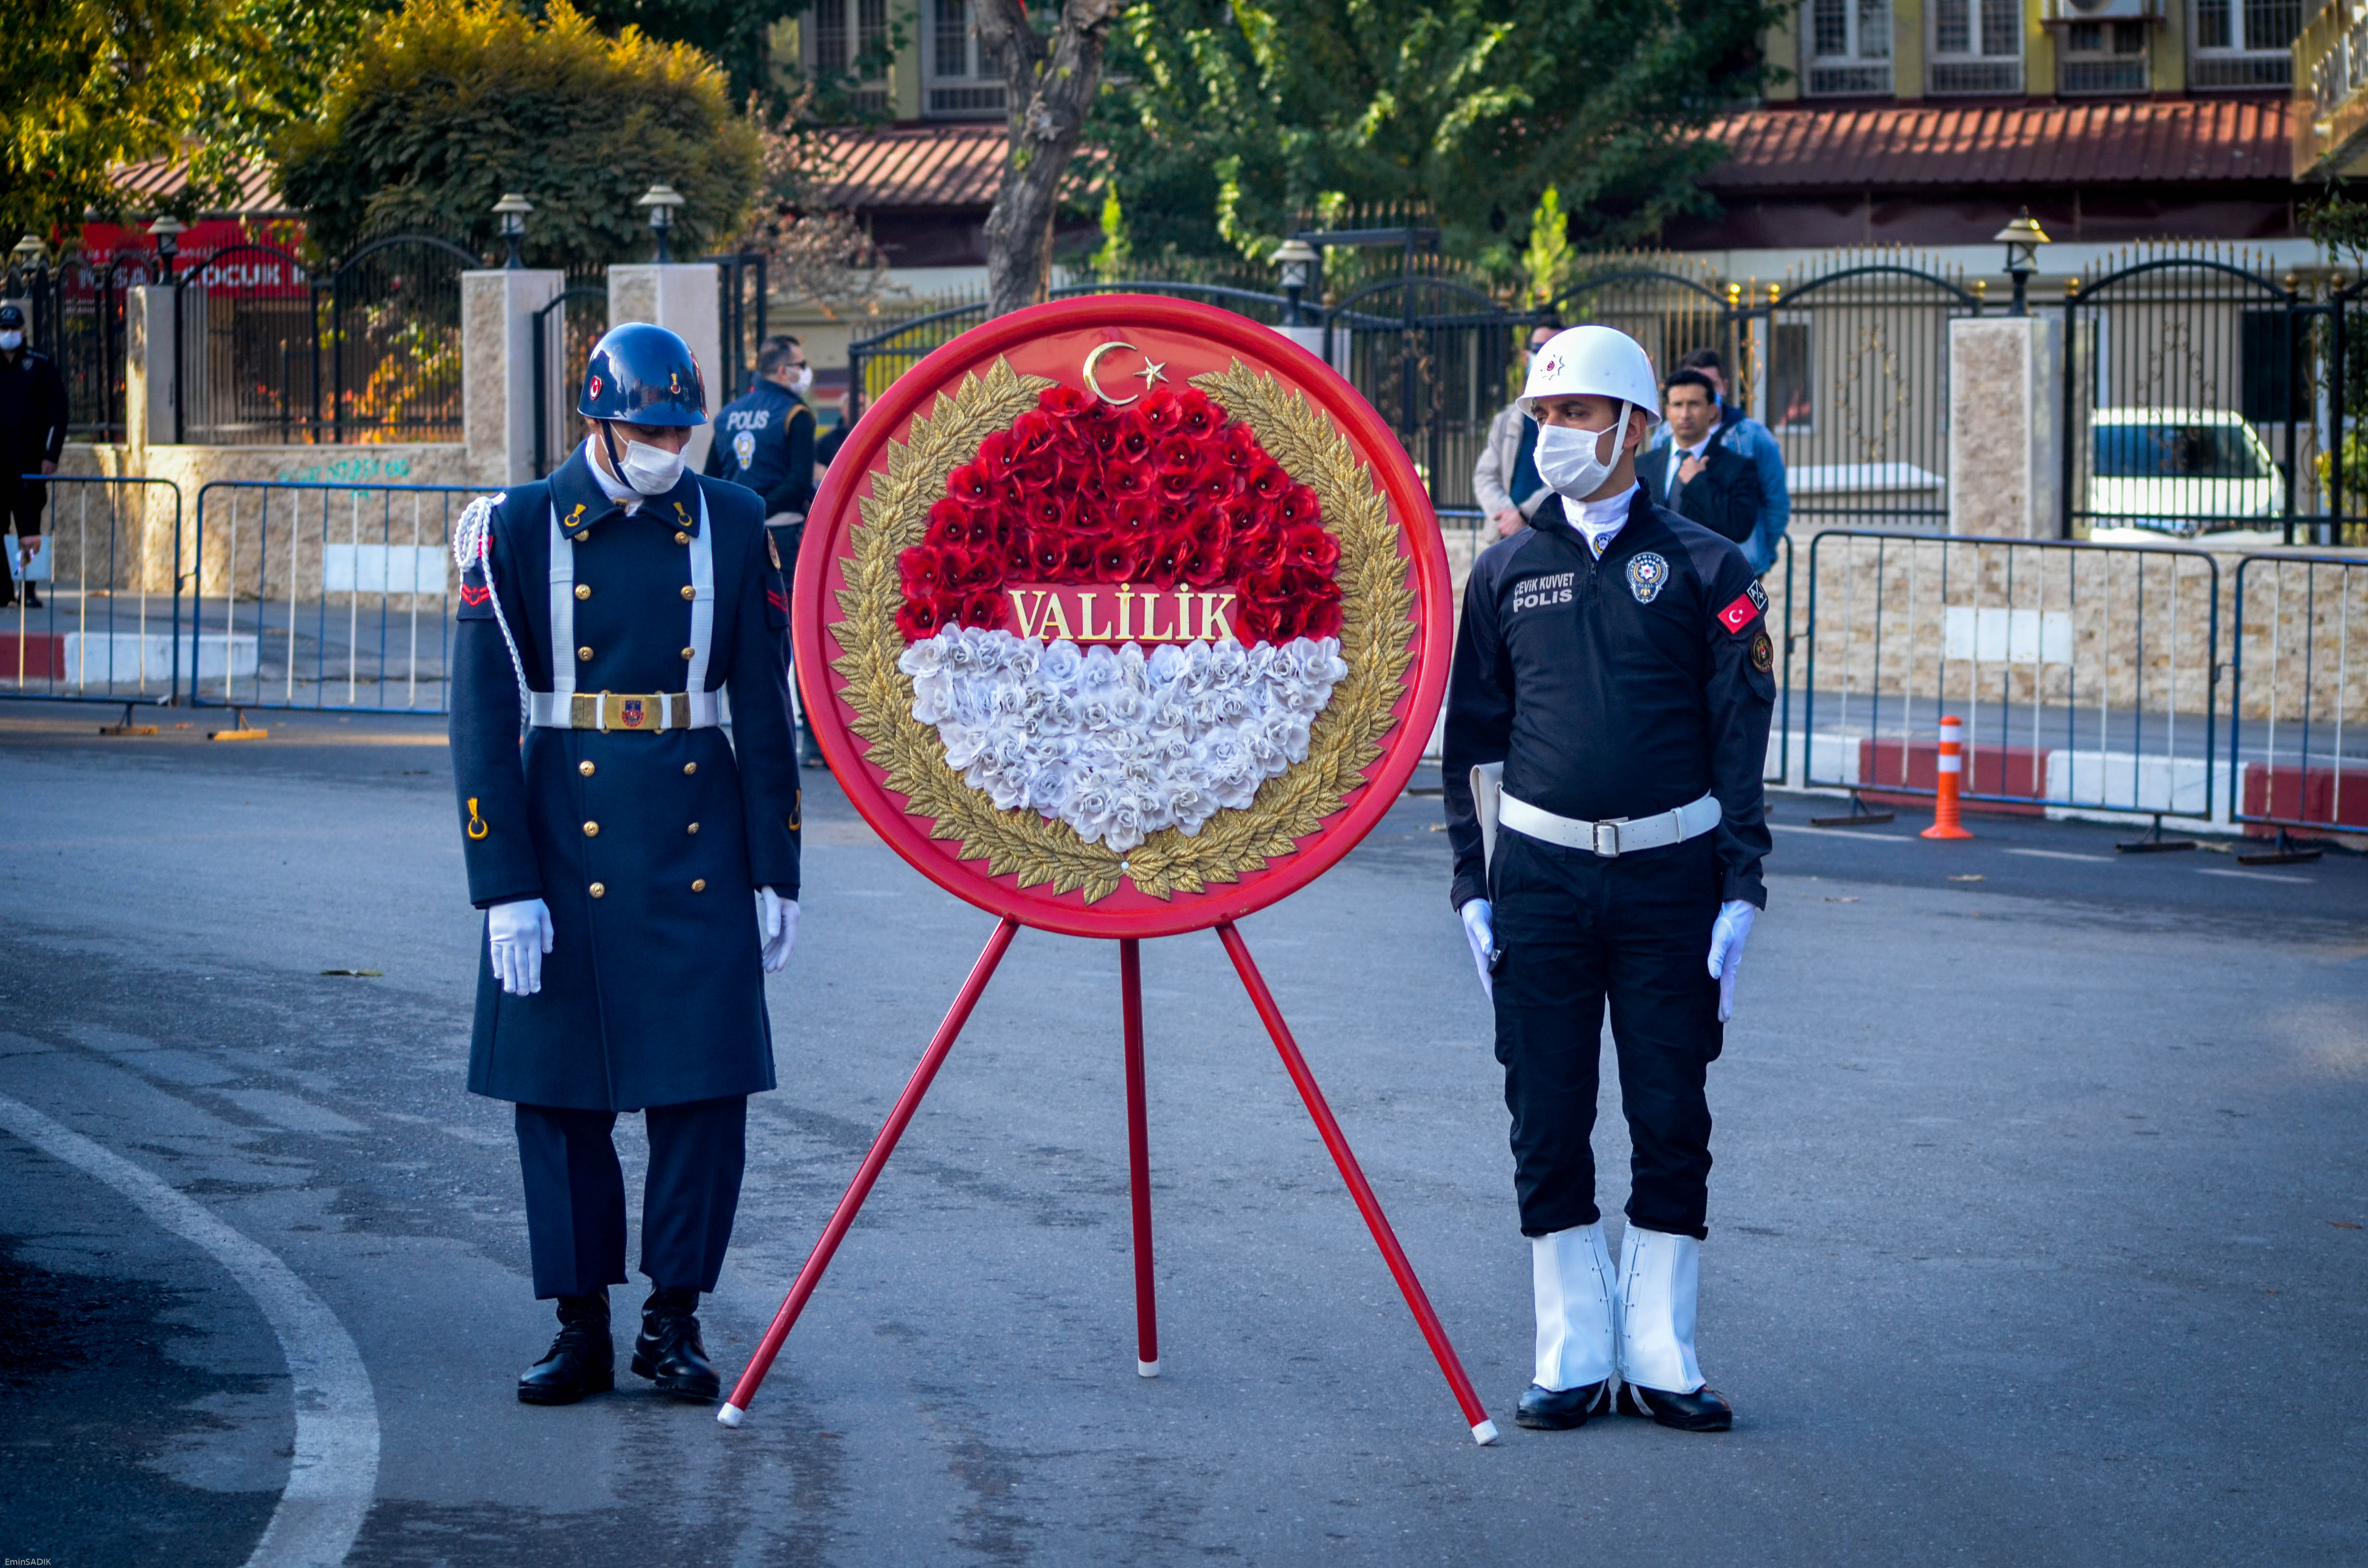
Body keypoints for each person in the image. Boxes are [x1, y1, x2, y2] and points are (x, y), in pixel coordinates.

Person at [449, 321, 804, 1408]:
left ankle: (675, 1321)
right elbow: (481, 712)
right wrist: (500, 881)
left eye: (679, 429)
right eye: (649, 427)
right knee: (560, 1101)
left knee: (705, 1094)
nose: (667, 447)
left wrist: (777, 866)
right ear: (597, 419)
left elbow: (764, 702)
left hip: (697, 824)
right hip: (563, 825)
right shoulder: (512, 524)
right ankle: (579, 1325)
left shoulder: (735, 521)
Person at [1442, 324, 1775, 1436]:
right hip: (1538, 881)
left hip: (1672, 879)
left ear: (1633, 427)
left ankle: (1663, 1349)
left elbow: (1740, 731)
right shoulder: (1505, 568)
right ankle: (1573, 1347)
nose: (1555, 438)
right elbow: (1470, 745)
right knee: (1547, 1112)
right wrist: (1471, 887)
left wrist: (1742, 883)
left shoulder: (1707, 566)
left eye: (1577, 416)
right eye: (1544, 417)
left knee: (1672, 1110)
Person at [705, 334, 822, 765]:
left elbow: (711, 479)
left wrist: (739, 512)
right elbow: (797, 483)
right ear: (781, 371)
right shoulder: (797, 415)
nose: (805, 371)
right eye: (801, 363)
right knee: (795, 638)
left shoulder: (727, 416)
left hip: (733, 540)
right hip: (784, 539)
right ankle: (813, 743)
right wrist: (759, 507)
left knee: (732, 637)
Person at [1674, 347, 1790, 575]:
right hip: (1680, 568)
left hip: (1740, 569)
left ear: (1724, 387)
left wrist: (1761, 554)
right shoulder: (1665, 438)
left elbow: (1776, 503)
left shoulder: (1755, 437)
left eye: (1710, 385)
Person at [1637, 369, 1765, 557]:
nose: (1685, 414)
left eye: (1694, 404)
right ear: (1668, 411)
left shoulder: (1738, 467)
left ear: (1712, 410)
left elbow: (1739, 528)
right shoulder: (1643, 465)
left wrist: (1699, 481)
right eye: (1678, 405)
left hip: (1708, 578)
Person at [0, 303, 67, 609]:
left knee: (29, 527)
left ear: (24, 331)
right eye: (4, 330)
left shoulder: (40, 365)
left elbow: (58, 413)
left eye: (14, 329)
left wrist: (50, 454)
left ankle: (27, 587)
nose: (9, 335)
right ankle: (4, 588)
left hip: (29, 462)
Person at [1473, 321, 1562, 539]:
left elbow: (1567, 480)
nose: (1545, 357)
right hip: (1504, 537)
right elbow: (1485, 476)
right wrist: (1510, 516)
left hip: (1551, 536)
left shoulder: (1574, 421)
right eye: (1538, 350)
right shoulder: (1507, 419)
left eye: (1554, 350)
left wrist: (1525, 514)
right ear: (1526, 357)